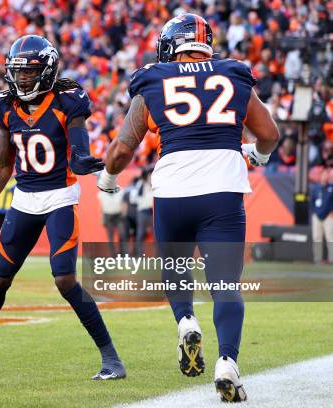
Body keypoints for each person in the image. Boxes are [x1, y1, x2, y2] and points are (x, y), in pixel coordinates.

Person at [98, 14, 279, 401]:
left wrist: (109, 179)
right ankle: (227, 362)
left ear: (170, 46)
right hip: (223, 190)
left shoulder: (153, 79)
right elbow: (269, 134)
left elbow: (124, 147)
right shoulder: (232, 73)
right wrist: (258, 155)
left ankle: (185, 320)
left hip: (173, 189)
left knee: (175, 268)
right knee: (226, 285)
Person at [0, 35, 126, 380]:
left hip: (60, 196)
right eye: (18, 72)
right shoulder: (4, 104)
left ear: (47, 71)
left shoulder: (68, 100)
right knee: (0, 277)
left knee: (64, 278)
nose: (22, 79)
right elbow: (3, 165)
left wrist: (82, 160)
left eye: (29, 72)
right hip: (23, 199)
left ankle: (111, 358)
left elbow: (78, 149)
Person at [311, 168, 332, 263]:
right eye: (323, 174)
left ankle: (332, 259)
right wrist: (315, 212)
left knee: (330, 237)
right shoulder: (316, 188)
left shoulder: (331, 188)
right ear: (320, 176)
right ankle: (317, 259)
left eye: (327, 175)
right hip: (317, 216)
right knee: (316, 237)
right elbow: (311, 201)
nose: (325, 176)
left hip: (329, 216)